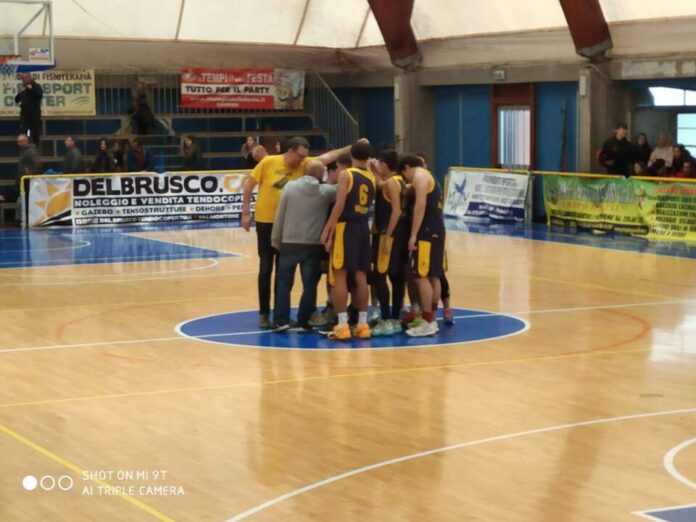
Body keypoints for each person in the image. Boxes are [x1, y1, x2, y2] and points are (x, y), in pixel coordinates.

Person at [241, 136, 361, 328]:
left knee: (283, 274)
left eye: (305, 156)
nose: (302, 159)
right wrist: (246, 212)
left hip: (288, 228)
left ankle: (281, 317)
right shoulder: (269, 162)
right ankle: (264, 314)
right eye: (300, 155)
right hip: (266, 222)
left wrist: (350, 146)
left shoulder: (305, 164)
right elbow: (248, 186)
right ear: (290, 151)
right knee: (265, 269)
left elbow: (328, 157)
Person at [270, 160, 337, 331]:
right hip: (312, 245)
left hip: (288, 243)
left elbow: (280, 214)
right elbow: (343, 189)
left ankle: (281, 320)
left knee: (284, 284)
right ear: (322, 174)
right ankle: (304, 321)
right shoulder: (326, 192)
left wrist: (276, 239)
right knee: (310, 285)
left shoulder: (289, 187)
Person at [320, 141, 376, 340]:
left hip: (347, 227)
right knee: (361, 277)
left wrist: (328, 229)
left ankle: (342, 325)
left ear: (351, 154)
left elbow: (340, 205)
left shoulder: (346, 174)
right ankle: (362, 324)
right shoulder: (371, 176)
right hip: (363, 226)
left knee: (340, 276)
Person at [400, 155, 446, 337]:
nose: (406, 178)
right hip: (437, 230)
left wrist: (413, 234)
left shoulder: (419, 176)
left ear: (406, 167)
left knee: (421, 276)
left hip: (426, 232)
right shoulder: (429, 176)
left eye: (404, 174)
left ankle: (427, 322)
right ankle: (431, 319)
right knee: (434, 275)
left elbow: (420, 205)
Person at [369, 149, 409, 336]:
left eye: (379, 163)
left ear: (385, 164)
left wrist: (388, 235)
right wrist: (374, 170)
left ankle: (385, 318)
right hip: (400, 235)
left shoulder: (392, 183)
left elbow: (396, 211)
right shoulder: (399, 181)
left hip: (389, 234)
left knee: (380, 276)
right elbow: (380, 184)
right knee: (397, 276)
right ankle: (395, 318)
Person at [14, 73, 43, 147]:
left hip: (34, 116)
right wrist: (20, 92)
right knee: (26, 132)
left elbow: (39, 95)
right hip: (25, 116)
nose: (23, 80)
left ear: (29, 78)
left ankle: (35, 147)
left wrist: (31, 89)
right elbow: (17, 100)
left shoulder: (36, 86)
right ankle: (26, 146)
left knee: (35, 133)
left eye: (24, 78)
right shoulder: (23, 88)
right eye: (22, 79)